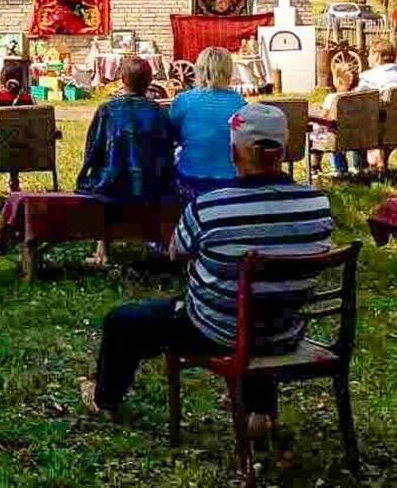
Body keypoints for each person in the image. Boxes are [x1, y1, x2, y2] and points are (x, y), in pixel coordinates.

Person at [82, 103, 334, 436]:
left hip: (218, 331)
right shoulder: (316, 204)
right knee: (259, 301)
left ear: (234, 152)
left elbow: (177, 252)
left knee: (123, 322)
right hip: (286, 329)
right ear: (286, 150)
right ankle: (259, 411)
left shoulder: (210, 207)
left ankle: (104, 400)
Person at [76, 57, 175, 264]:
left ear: (122, 79)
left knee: (101, 178)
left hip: (112, 185)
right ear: (149, 81)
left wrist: (84, 176)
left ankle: (102, 250)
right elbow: (166, 152)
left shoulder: (107, 110)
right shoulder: (158, 113)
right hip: (150, 185)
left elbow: (93, 148)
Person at [168, 47, 247, 198]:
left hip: (191, 178)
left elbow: (173, 135)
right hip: (231, 179)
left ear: (199, 69)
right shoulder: (239, 102)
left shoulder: (183, 100)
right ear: (228, 71)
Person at [0, 61, 35, 192]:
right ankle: (14, 180)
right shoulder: (29, 99)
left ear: (2, 78)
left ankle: (13, 181)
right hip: (27, 152)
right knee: (17, 137)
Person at [310, 64, 360, 177]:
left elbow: (323, 116)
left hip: (338, 136)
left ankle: (318, 165)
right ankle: (359, 166)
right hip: (358, 135)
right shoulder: (359, 96)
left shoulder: (333, 98)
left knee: (318, 130)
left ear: (338, 81)